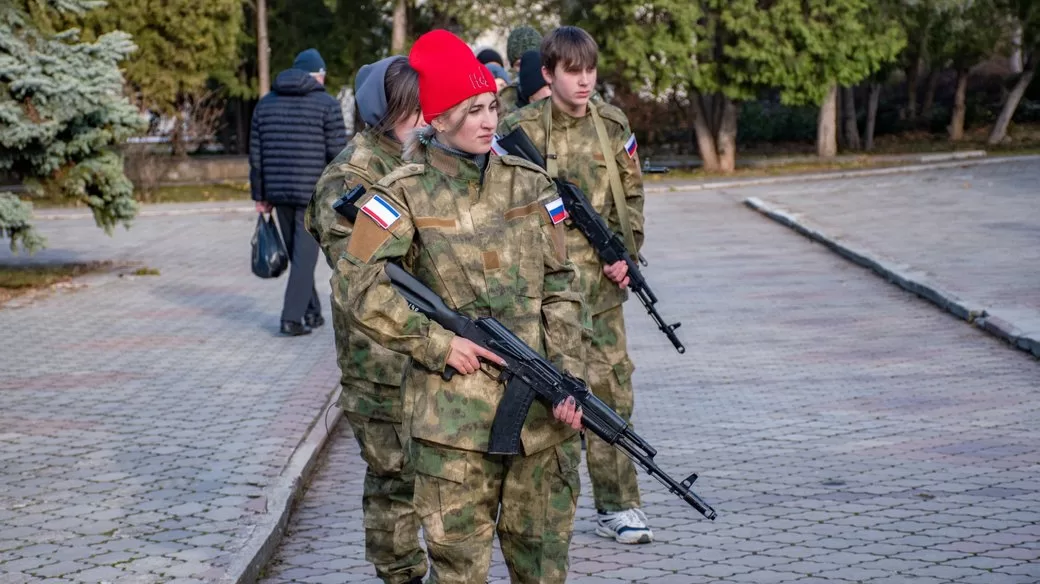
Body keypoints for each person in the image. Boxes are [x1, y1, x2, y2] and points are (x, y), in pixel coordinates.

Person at [340, 29, 586, 584]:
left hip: (542, 425)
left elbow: (563, 285)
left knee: (544, 569)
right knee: (459, 574)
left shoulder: (531, 183)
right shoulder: (398, 194)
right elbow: (356, 284)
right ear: (439, 117)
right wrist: (437, 342)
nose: (488, 119)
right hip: (452, 431)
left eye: (492, 106)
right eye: (472, 109)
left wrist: (569, 379)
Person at [498, 26, 652, 544]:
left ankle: (619, 505)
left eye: (590, 71)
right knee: (554, 402)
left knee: (612, 393)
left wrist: (626, 257)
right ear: (547, 73)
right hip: (546, 297)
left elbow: (632, 198)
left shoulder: (612, 124)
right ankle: (546, 515)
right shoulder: (521, 128)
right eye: (573, 72)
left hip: (604, 294)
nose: (584, 81)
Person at [305, 56, 427, 584]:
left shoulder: (419, 160)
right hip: (377, 360)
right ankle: (399, 575)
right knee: (393, 479)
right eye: (411, 111)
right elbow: (359, 272)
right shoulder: (349, 177)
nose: (424, 120)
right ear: (383, 111)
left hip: (428, 352)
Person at [250, 48, 346, 336]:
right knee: (304, 258)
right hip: (312, 195)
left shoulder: (265, 104)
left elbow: (257, 155)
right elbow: (337, 155)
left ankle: (312, 312)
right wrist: (340, 193)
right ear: (318, 74)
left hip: (278, 192)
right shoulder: (327, 104)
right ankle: (291, 319)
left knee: (298, 255)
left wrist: (260, 195)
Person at [499, 26, 543, 115]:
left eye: (533, 63)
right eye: (520, 65)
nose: (526, 69)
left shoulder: (558, 95)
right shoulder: (502, 104)